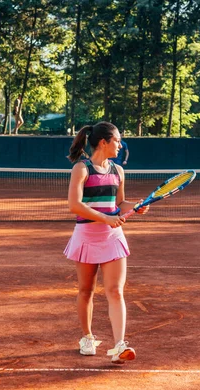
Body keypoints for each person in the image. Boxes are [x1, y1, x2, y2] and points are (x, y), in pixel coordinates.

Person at [64, 121, 148, 364]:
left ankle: (119, 345)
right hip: (87, 236)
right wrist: (106, 218)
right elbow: (74, 205)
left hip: (112, 238)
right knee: (86, 290)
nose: (120, 145)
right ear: (104, 142)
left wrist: (136, 206)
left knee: (115, 291)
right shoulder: (82, 169)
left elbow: (119, 204)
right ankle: (87, 337)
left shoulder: (118, 171)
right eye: (117, 140)